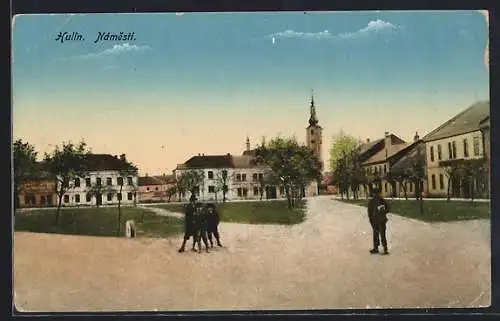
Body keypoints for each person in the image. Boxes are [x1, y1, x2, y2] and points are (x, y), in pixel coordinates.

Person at [367, 187, 390, 255]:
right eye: (375, 194)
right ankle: (377, 248)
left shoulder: (382, 200)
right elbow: (369, 212)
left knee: (382, 235)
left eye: (376, 193)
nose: (375, 195)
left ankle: (384, 249)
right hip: (375, 221)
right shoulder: (372, 201)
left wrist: (383, 211)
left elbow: (388, 208)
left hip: (380, 221)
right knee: (376, 235)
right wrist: (371, 219)